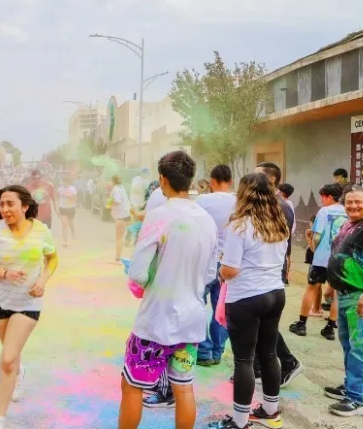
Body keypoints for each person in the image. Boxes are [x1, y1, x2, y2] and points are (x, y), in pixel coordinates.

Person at [119, 151, 217, 429]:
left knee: (132, 386)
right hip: (192, 320)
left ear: (163, 179)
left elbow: (138, 273)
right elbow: (211, 274)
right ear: (190, 179)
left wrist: (152, 278)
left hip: (155, 320)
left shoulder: (159, 216)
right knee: (183, 388)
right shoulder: (206, 220)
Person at [210, 172, 291, 429]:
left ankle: (240, 420)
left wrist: (221, 269)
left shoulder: (240, 225)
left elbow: (230, 269)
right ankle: (270, 411)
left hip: (246, 296)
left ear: (243, 193)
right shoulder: (279, 222)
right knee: (269, 353)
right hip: (275, 293)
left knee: (243, 360)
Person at [0, 186, 59, 429]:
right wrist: (5, 273)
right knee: (11, 353)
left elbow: (52, 259)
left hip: (28, 302)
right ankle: (18, 371)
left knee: (6, 359)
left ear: (24, 206)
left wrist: (42, 280)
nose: (4, 209)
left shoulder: (41, 231)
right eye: (1, 204)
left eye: (10, 204)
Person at [324, 185, 363, 417]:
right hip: (344, 295)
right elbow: (340, 256)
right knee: (349, 346)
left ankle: (358, 399)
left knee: (360, 348)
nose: (353, 206)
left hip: (360, 296)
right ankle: (350, 386)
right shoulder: (347, 225)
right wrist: (331, 285)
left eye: (358, 202)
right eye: (349, 202)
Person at [249, 162, 303, 387]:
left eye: (257, 176)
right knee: (258, 322)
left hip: (267, 271)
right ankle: (257, 366)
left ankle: (288, 362)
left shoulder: (276, 206)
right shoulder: (272, 203)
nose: (252, 179)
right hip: (265, 271)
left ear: (271, 180)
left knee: (263, 323)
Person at [289, 183, 345, 340]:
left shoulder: (324, 211)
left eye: (323, 197)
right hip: (340, 259)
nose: (322, 200)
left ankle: (301, 324)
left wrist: (312, 245)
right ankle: (330, 328)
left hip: (322, 259)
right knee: (337, 293)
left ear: (329, 197)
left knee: (311, 289)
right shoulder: (347, 211)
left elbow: (318, 236)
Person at [194, 165, 236, 368]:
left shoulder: (201, 201)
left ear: (212, 182)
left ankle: (204, 351)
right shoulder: (240, 202)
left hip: (206, 261)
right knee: (222, 308)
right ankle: (218, 351)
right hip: (229, 262)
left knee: (197, 304)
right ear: (231, 181)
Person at [108, 174, 132, 263]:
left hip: (121, 216)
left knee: (119, 238)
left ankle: (118, 258)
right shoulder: (122, 188)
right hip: (126, 215)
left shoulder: (116, 189)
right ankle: (119, 257)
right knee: (121, 237)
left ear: (113, 181)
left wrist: (109, 203)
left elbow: (117, 201)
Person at [57, 174, 78, 247]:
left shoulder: (73, 188)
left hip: (71, 208)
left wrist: (68, 196)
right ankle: (65, 241)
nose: (65, 182)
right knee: (64, 224)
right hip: (62, 208)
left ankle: (73, 231)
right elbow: (57, 198)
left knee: (70, 223)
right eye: (64, 181)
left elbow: (74, 199)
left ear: (69, 181)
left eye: (67, 181)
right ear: (62, 181)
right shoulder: (60, 189)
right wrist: (57, 208)